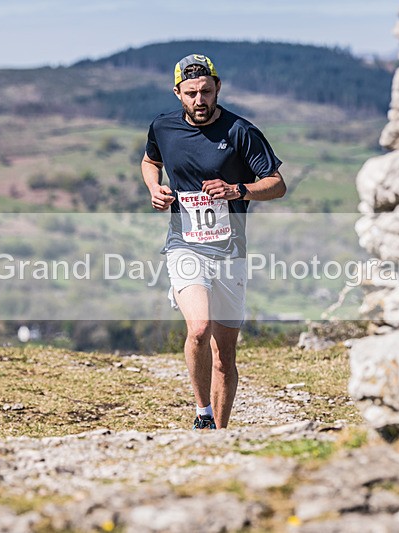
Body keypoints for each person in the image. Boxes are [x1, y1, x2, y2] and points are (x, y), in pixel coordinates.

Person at [141, 53, 286, 430]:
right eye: (191, 93)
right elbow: (149, 161)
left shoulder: (241, 132)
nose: (199, 100)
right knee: (199, 328)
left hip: (230, 253)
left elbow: (276, 184)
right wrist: (154, 188)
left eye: (206, 91)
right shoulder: (163, 127)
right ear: (177, 93)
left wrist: (237, 189)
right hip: (185, 245)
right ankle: (202, 413)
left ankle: (221, 434)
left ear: (218, 87)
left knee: (225, 356)